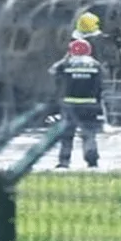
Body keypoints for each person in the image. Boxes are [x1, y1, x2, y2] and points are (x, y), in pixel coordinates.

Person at [49, 39, 107, 169]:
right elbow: (101, 85)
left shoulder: (66, 64)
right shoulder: (95, 65)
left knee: (67, 136)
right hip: (89, 105)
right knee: (89, 134)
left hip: (69, 105)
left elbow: (53, 72)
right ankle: (92, 162)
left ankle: (64, 162)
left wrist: (66, 57)